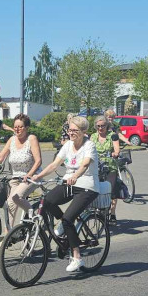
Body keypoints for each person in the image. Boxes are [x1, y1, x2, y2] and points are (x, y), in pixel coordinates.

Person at [30, 115, 99, 273]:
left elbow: (85, 164)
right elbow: (55, 164)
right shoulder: (68, 145)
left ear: (84, 131)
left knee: (69, 219)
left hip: (87, 186)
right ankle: (62, 223)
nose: (71, 132)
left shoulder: (89, 145)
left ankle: (77, 257)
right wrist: (38, 176)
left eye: (75, 130)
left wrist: (76, 175)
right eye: (69, 129)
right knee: (47, 201)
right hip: (69, 183)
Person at [0, 113, 42, 224]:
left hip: (32, 177)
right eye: (15, 127)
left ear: (27, 128)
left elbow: (38, 161)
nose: (17, 129)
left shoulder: (31, 139)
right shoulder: (12, 140)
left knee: (16, 197)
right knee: (9, 204)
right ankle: (9, 232)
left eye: (20, 127)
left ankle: (34, 218)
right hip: (16, 178)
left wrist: (29, 174)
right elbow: (0, 157)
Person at [91, 116, 122, 223]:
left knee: (111, 190)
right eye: (98, 126)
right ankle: (99, 209)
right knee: (97, 190)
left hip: (110, 167)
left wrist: (115, 153)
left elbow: (117, 149)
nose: (100, 128)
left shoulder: (112, 135)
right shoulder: (93, 137)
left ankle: (112, 213)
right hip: (97, 167)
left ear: (107, 125)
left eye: (103, 126)